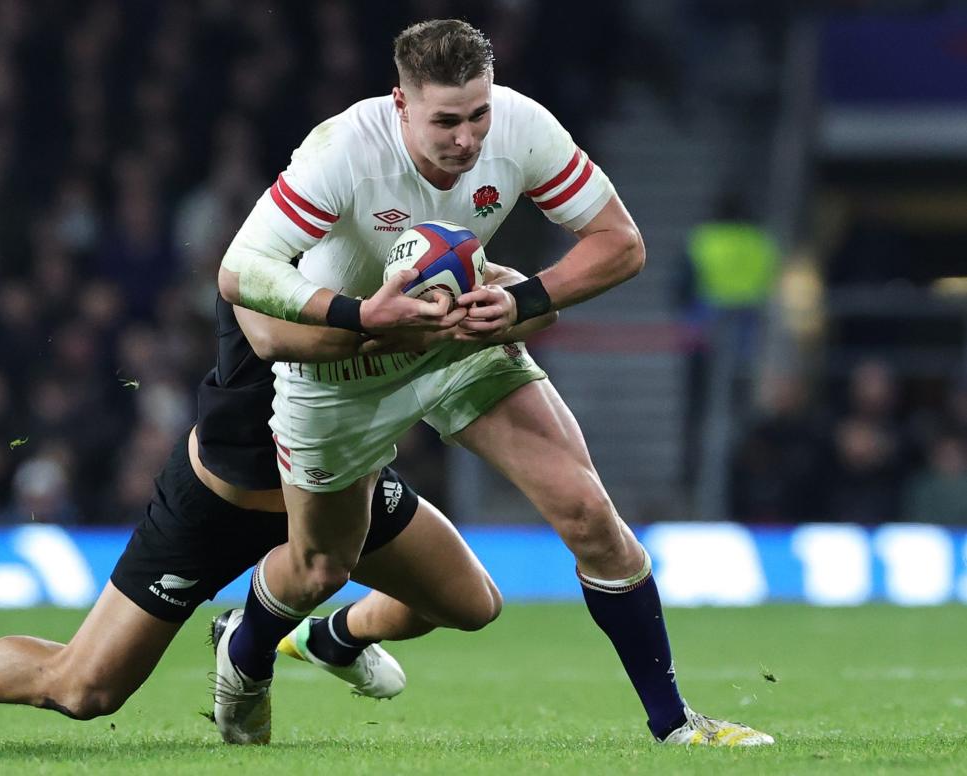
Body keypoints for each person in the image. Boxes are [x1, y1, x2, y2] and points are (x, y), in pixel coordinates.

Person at [215, 19, 773, 747]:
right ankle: (250, 647)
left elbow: (619, 244)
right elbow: (239, 272)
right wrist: (361, 313)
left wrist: (524, 300)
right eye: (445, 120)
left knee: (585, 511)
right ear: (400, 105)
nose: (467, 139)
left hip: (458, 343)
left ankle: (675, 726)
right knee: (320, 566)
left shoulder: (520, 127)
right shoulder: (345, 152)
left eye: (476, 114)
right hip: (340, 370)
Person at [0, 281, 549, 746]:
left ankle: (321, 638)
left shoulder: (410, 254)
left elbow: (509, 307)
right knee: (83, 690)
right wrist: (401, 325)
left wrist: (505, 303)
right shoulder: (270, 264)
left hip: (338, 490)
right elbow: (289, 335)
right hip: (217, 506)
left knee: (467, 602)